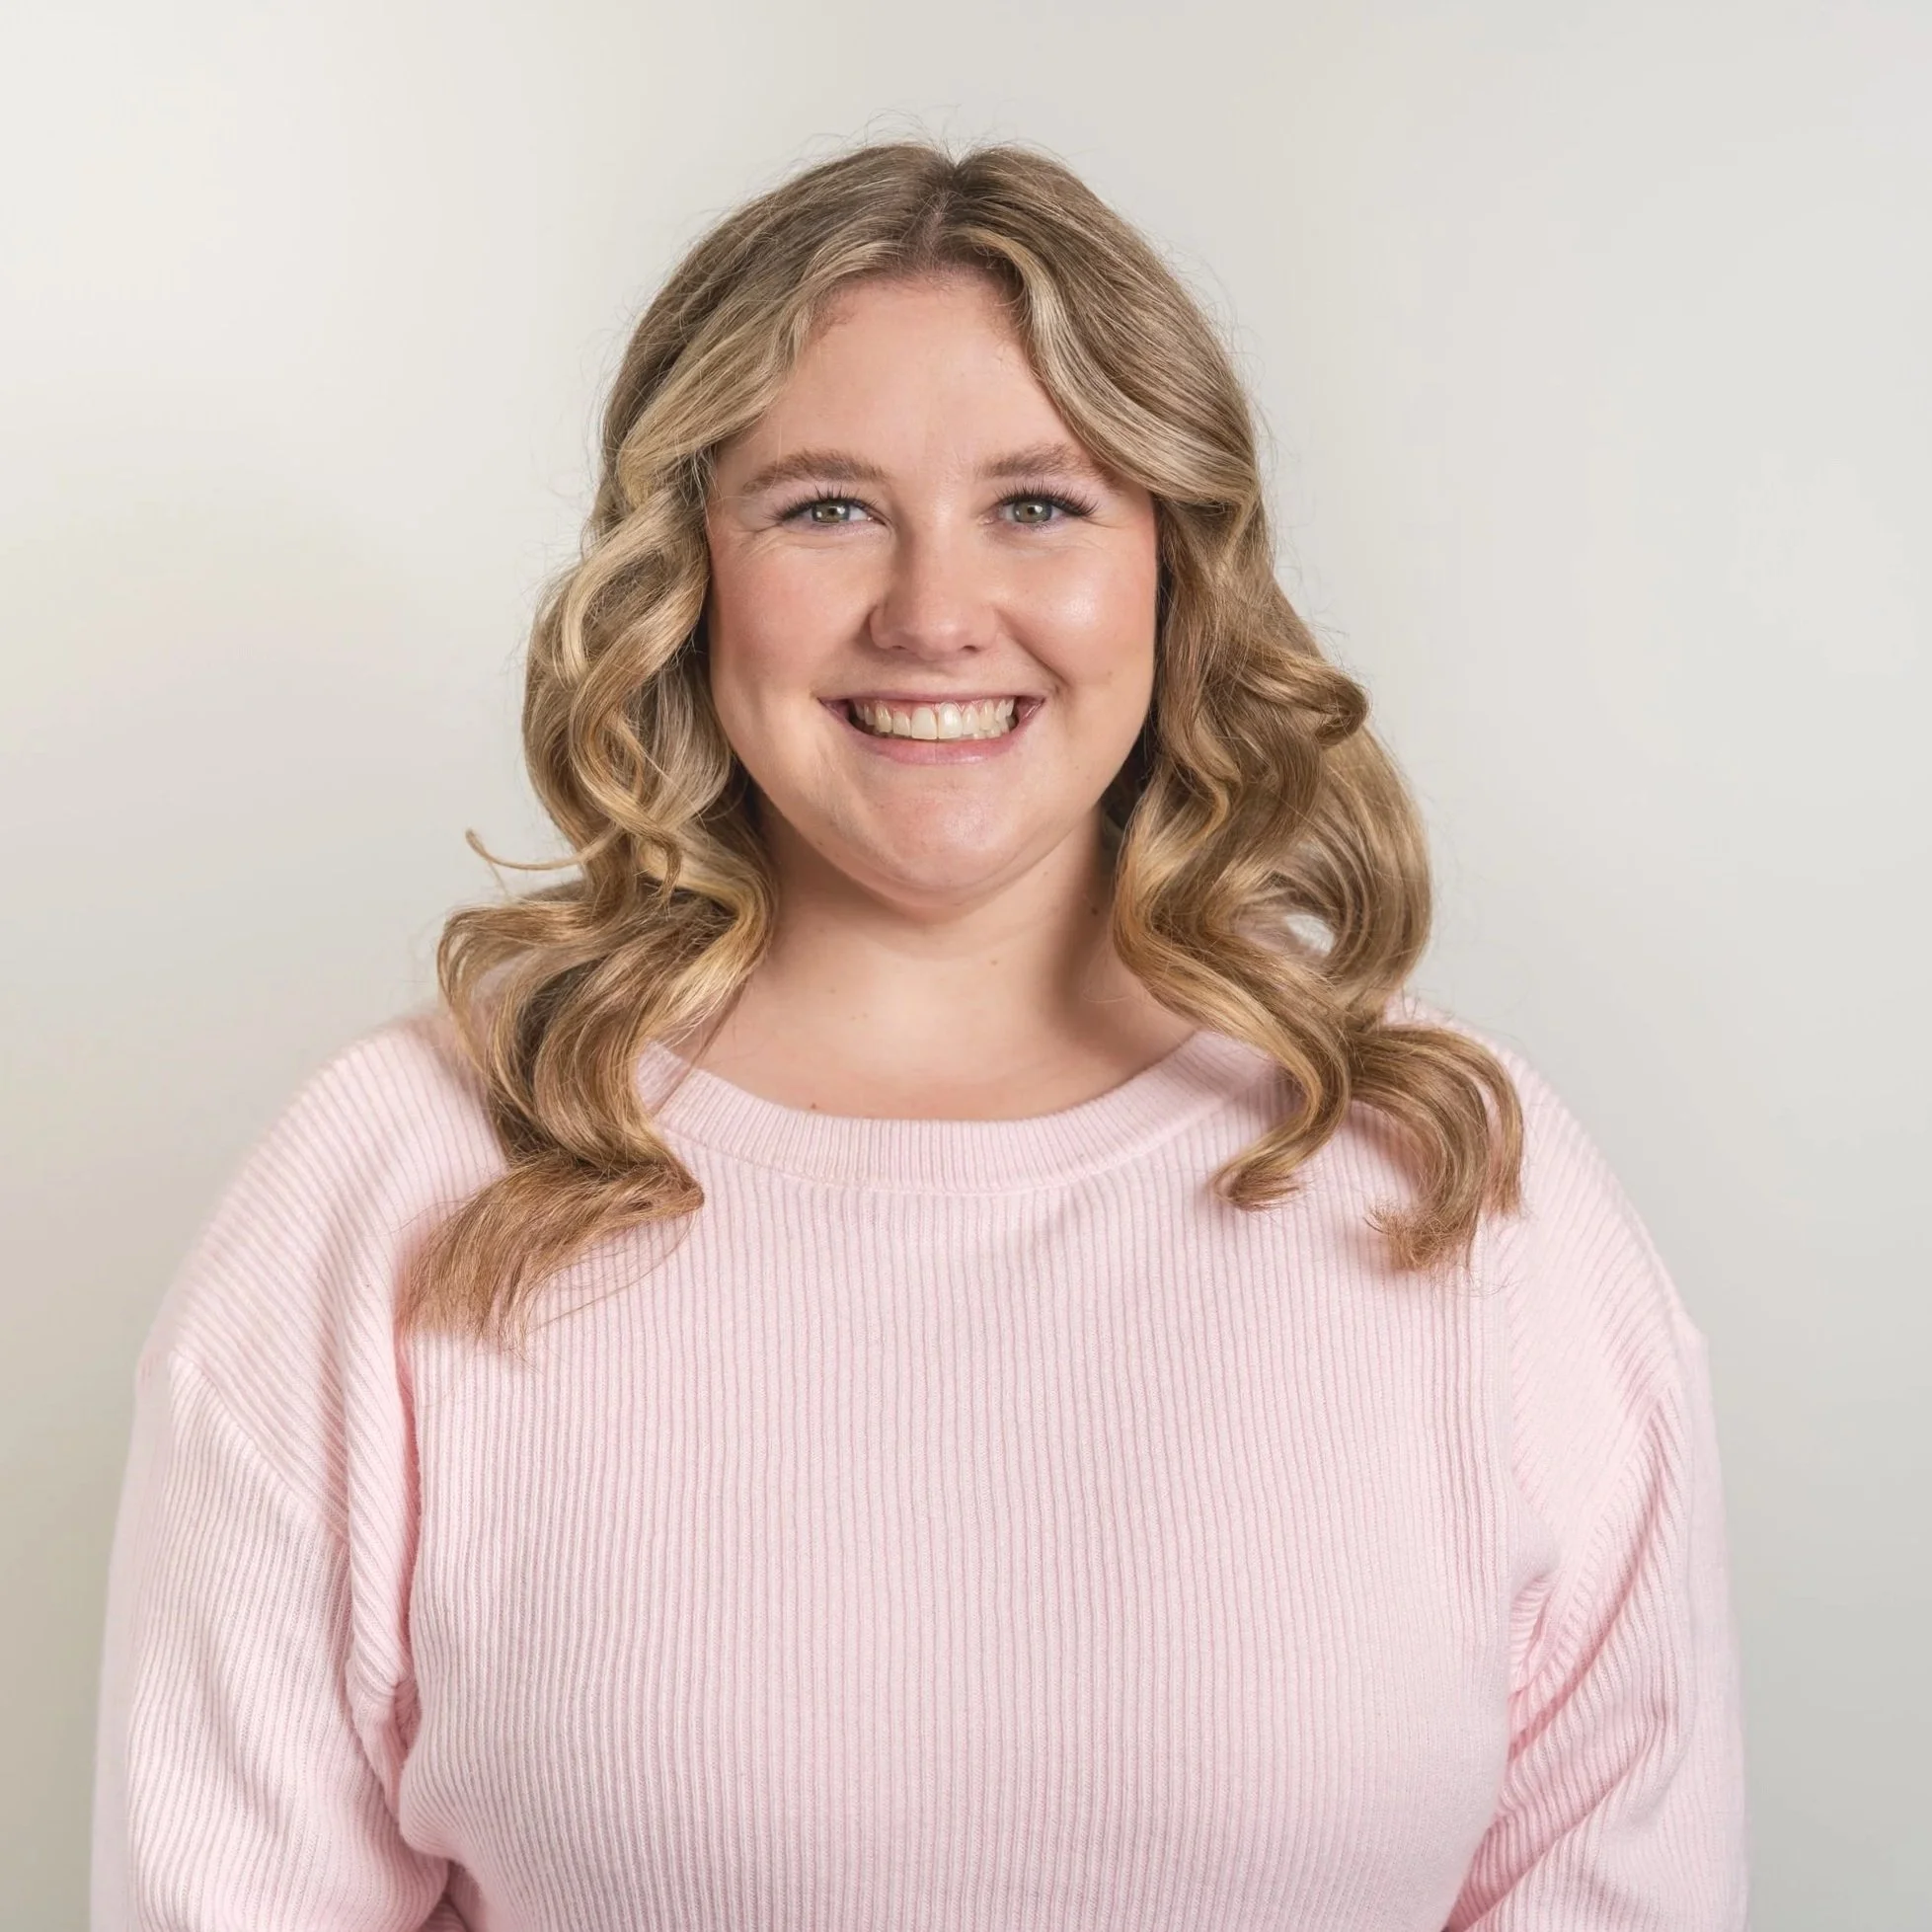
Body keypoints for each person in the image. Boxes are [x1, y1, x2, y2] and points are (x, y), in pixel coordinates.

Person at [91, 140, 1749, 1929]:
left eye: (1038, 504)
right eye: (825, 508)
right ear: (685, 570)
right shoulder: (396, 1182)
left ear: (1174, 565)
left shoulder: (1464, 1186)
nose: (935, 616)